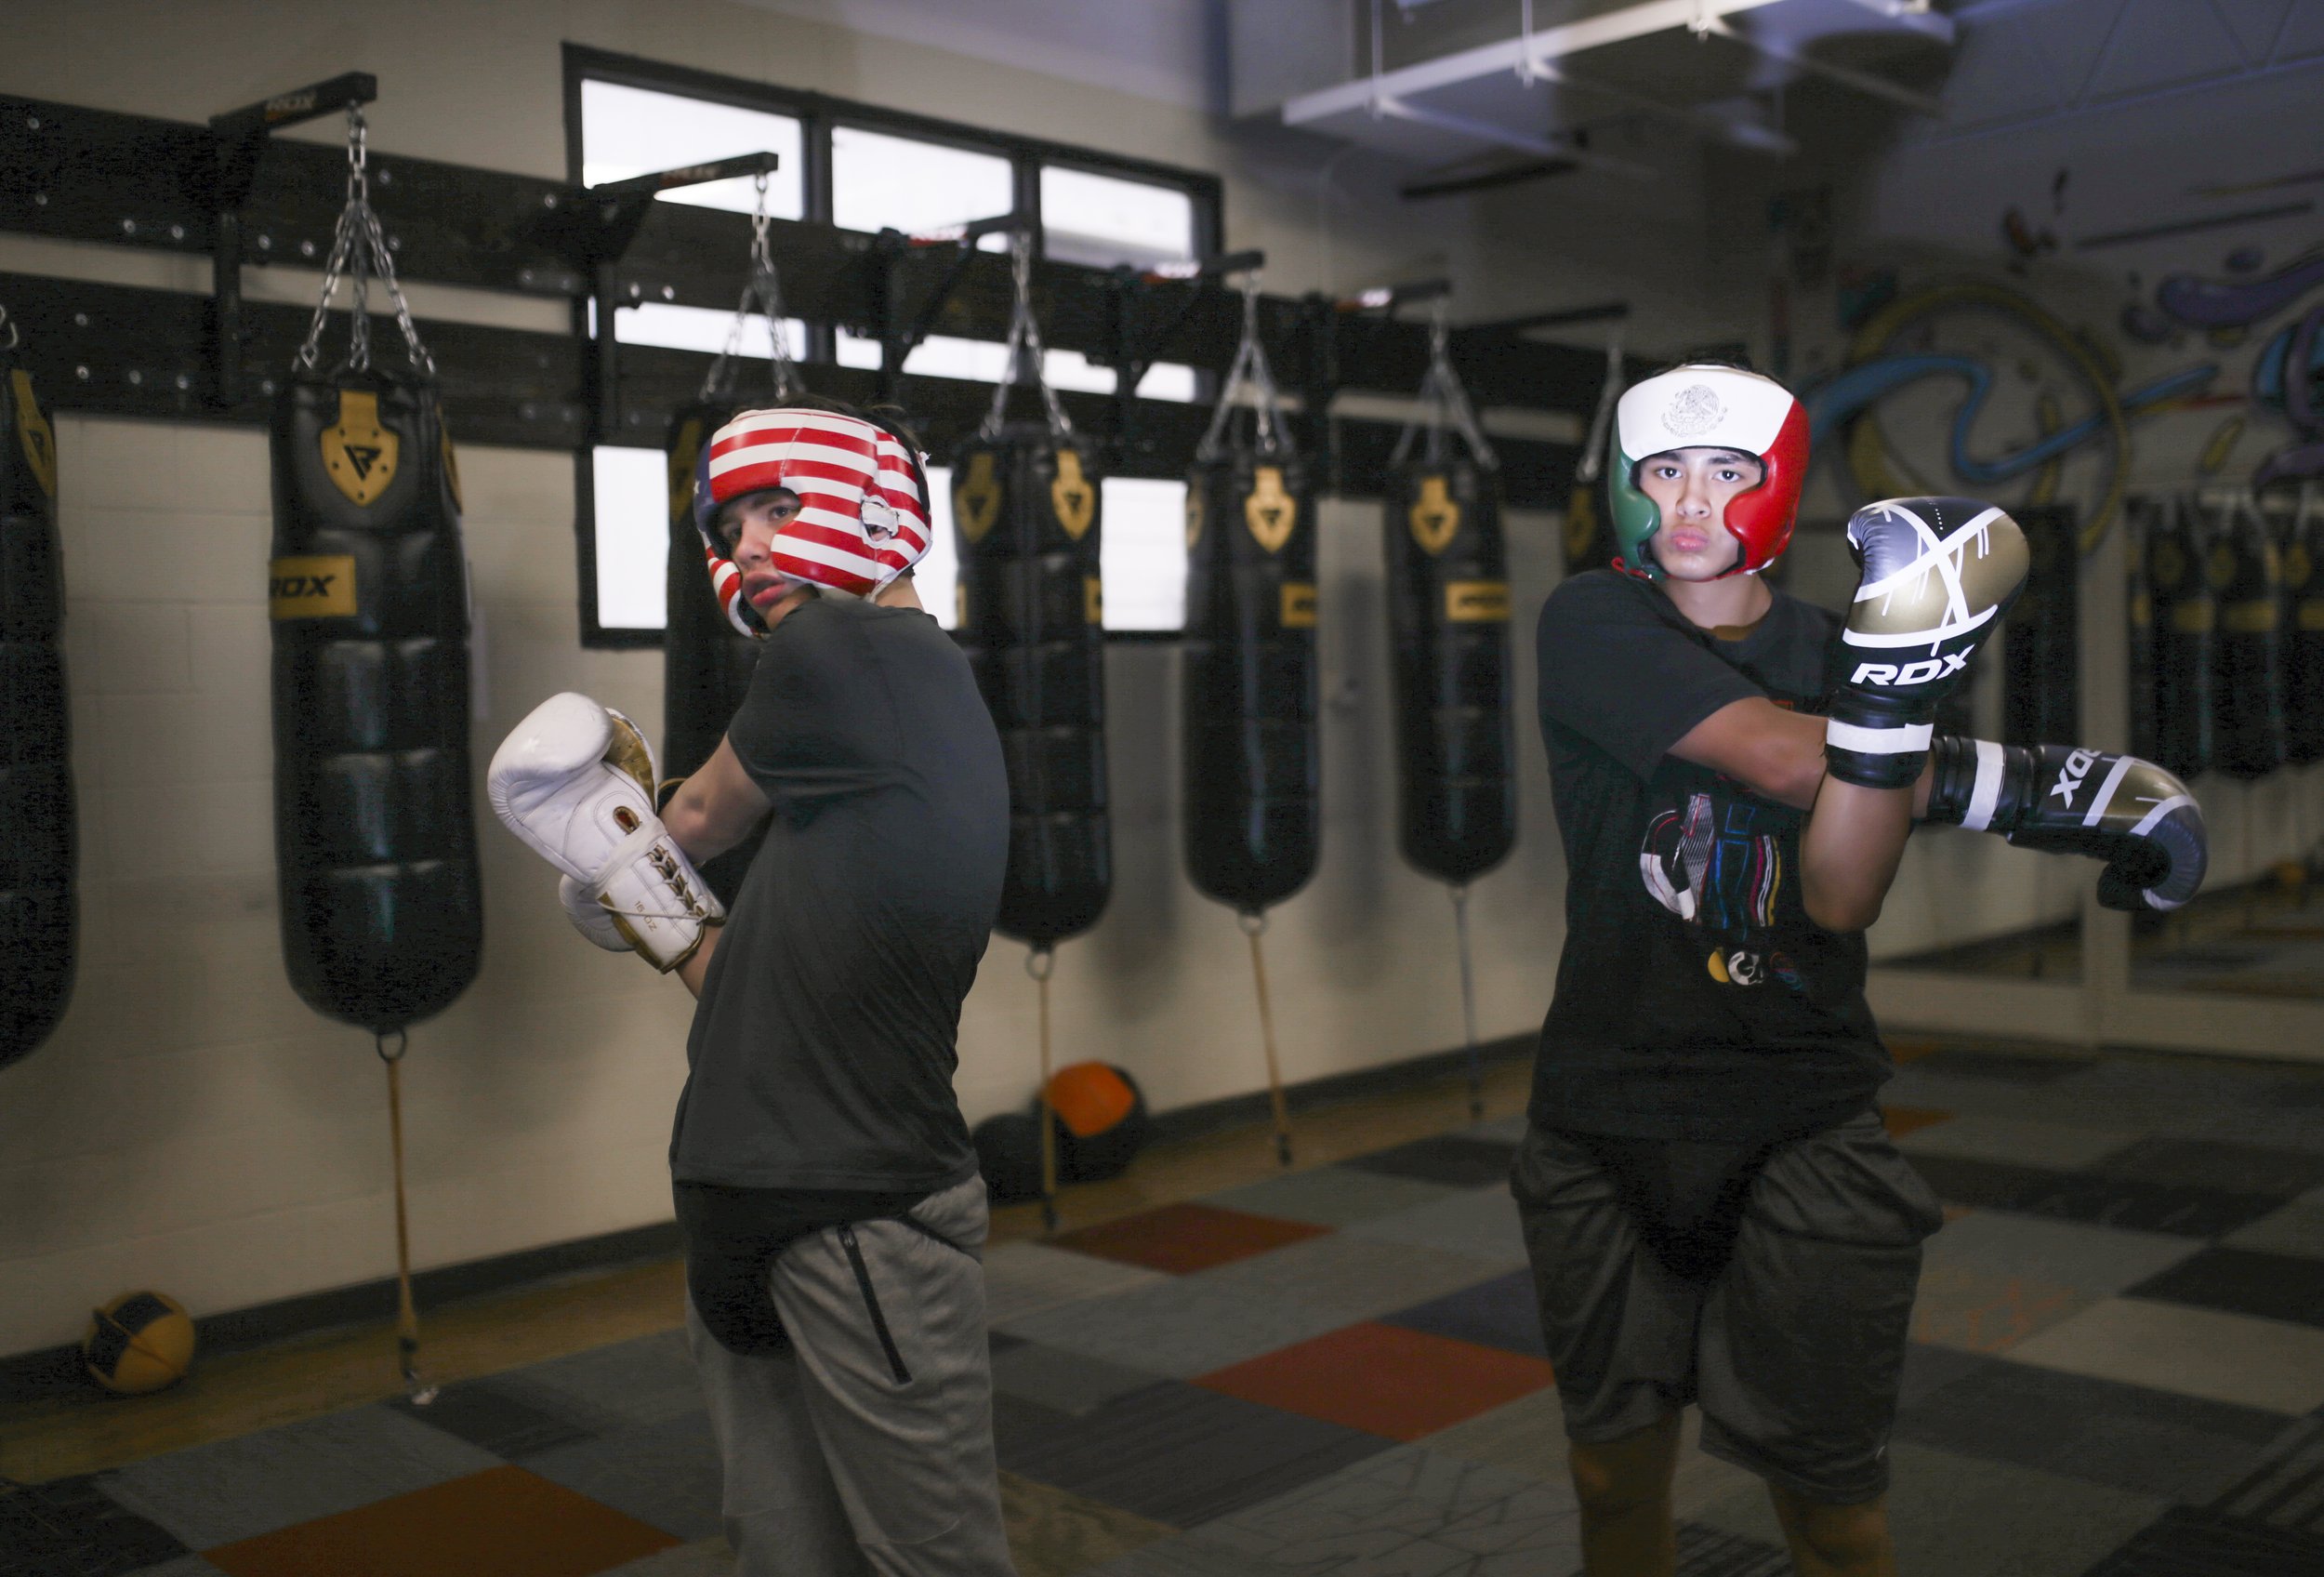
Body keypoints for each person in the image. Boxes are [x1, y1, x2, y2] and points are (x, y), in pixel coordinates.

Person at [1514, 361, 2202, 1577]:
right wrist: (2036, 786)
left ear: (1775, 492)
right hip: (1605, 1108)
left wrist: (1882, 707)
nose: (1688, 502)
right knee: (1608, 1479)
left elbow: (1839, 893)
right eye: (1662, 471)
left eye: (1726, 472)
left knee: (1829, 1504)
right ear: (1625, 489)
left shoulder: (1836, 646)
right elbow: (1785, 763)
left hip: (1801, 1112)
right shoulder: (1592, 618)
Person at [489, 404, 1017, 1577]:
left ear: (880, 506)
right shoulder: (868, 757)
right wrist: (648, 897)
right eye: (732, 528)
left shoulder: (850, 652)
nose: (753, 551)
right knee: (789, 1558)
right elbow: (754, 991)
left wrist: (631, 842)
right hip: (760, 1182)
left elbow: (691, 819)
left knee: (928, 1561)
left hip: (851, 1208)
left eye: (779, 510)